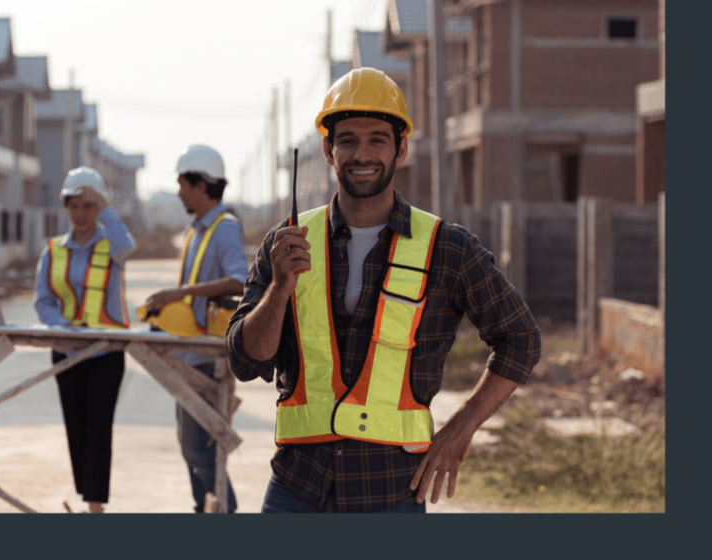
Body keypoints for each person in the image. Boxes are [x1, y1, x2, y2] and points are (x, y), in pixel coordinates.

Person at [226, 68, 542, 514]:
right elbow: (246, 360)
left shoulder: (446, 247)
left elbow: (521, 339)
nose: (363, 153)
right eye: (348, 140)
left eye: (378, 139)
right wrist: (279, 289)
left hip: (391, 493)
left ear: (402, 148)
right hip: (298, 488)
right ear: (328, 150)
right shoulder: (289, 241)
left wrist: (462, 428)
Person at [143, 145, 248, 514]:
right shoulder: (196, 230)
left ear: (201, 184)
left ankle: (224, 512)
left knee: (198, 447)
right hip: (187, 354)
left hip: (208, 356)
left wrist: (180, 292)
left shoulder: (225, 229)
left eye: (182, 184)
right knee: (190, 446)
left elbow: (239, 281)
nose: (178, 192)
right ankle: (204, 510)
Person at [34, 166, 135, 514]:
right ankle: (87, 497)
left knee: (97, 429)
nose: (81, 214)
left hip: (105, 352)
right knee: (75, 428)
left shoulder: (113, 248)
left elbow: (128, 243)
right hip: (65, 350)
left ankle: (95, 508)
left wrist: (103, 201)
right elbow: (43, 300)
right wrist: (63, 329)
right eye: (74, 205)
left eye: (88, 206)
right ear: (65, 208)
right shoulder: (53, 251)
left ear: (98, 208)